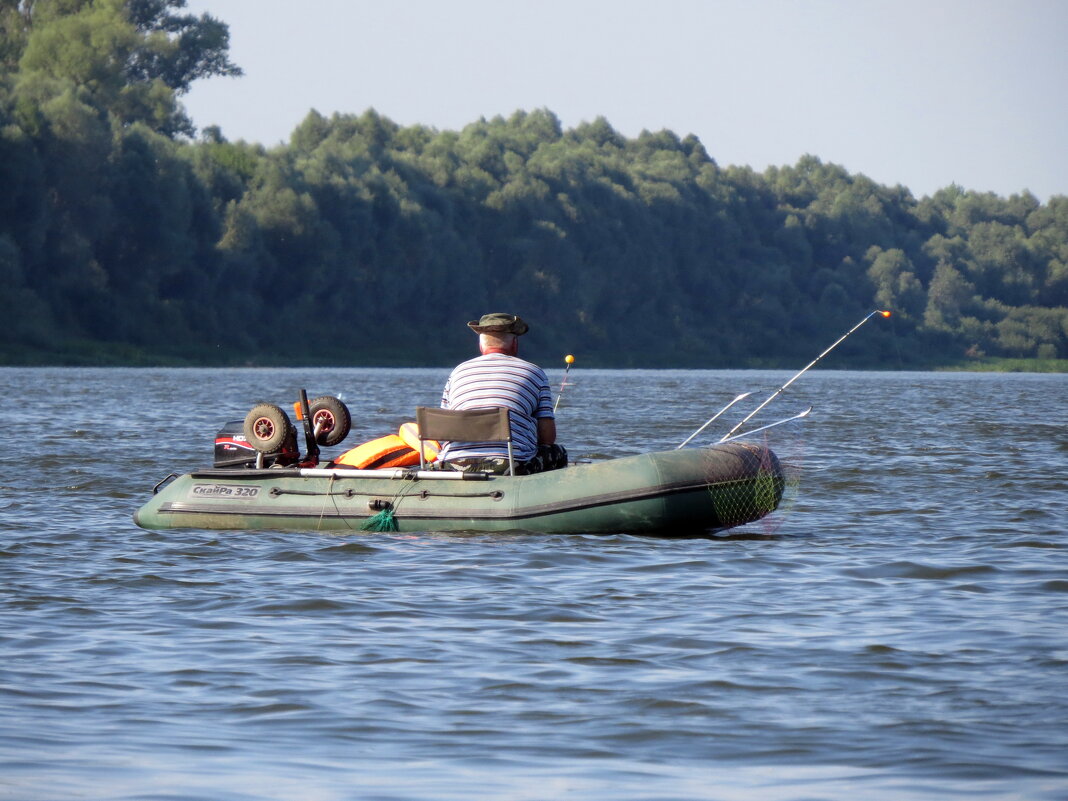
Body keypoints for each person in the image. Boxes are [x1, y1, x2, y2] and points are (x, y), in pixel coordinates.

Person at [438, 313, 568, 475]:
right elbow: (548, 438)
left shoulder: (458, 372)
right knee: (558, 452)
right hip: (508, 466)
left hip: (453, 464)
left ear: (481, 345)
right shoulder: (535, 373)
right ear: (514, 343)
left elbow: (443, 430)